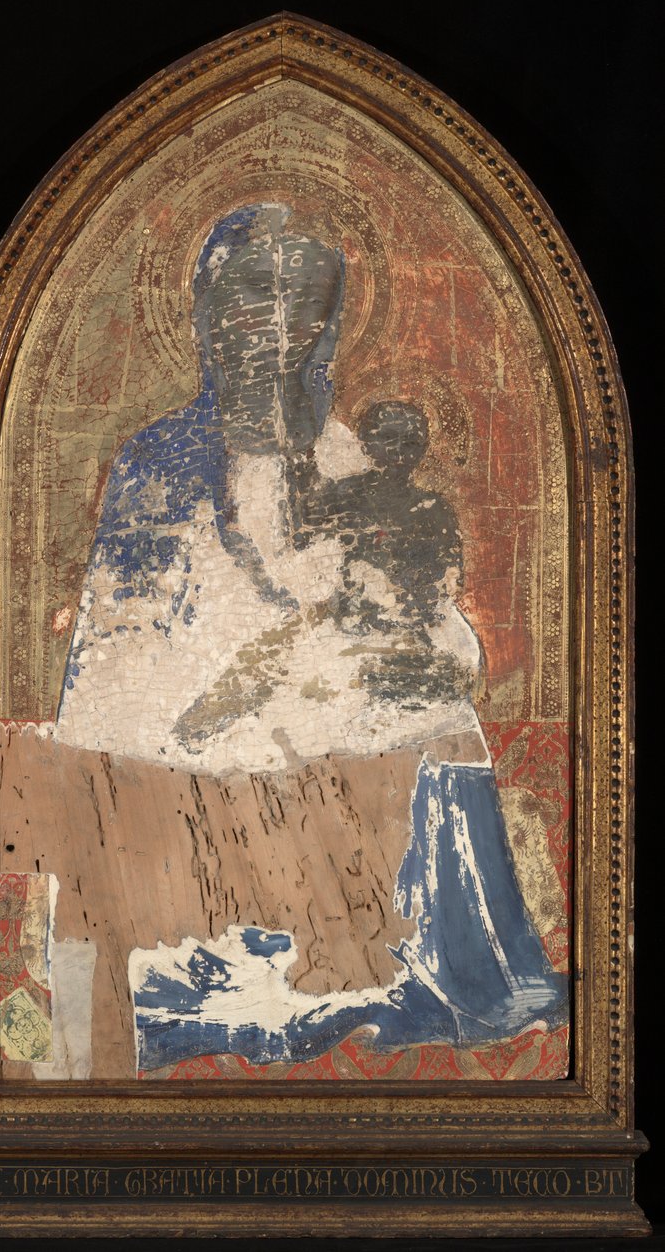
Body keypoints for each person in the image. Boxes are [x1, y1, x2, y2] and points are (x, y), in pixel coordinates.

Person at [56, 203, 567, 1068]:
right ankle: (258, 967)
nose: (277, 321)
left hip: (321, 690)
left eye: (306, 301)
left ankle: (426, 965)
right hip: (183, 720)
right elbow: (117, 655)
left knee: (449, 726)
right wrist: (248, 671)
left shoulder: (342, 456)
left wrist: (403, 647)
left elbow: (391, 597)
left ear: (329, 324)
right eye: (256, 292)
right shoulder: (156, 460)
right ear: (209, 306)